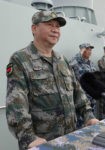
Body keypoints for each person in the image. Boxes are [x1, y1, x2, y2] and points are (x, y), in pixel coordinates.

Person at [6, 10, 99, 150]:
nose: (55, 30)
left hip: (70, 139)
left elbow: (78, 92)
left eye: (57, 26)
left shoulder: (62, 60)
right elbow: (16, 104)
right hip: (43, 143)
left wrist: (89, 116)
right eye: (50, 25)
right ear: (34, 28)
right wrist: (28, 137)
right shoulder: (20, 60)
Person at [69, 43, 97, 128]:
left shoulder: (91, 63)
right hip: (81, 100)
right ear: (82, 50)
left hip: (91, 98)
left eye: (90, 50)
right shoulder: (74, 63)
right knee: (80, 124)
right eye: (87, 49)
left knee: (91, 122)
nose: (89, 52)